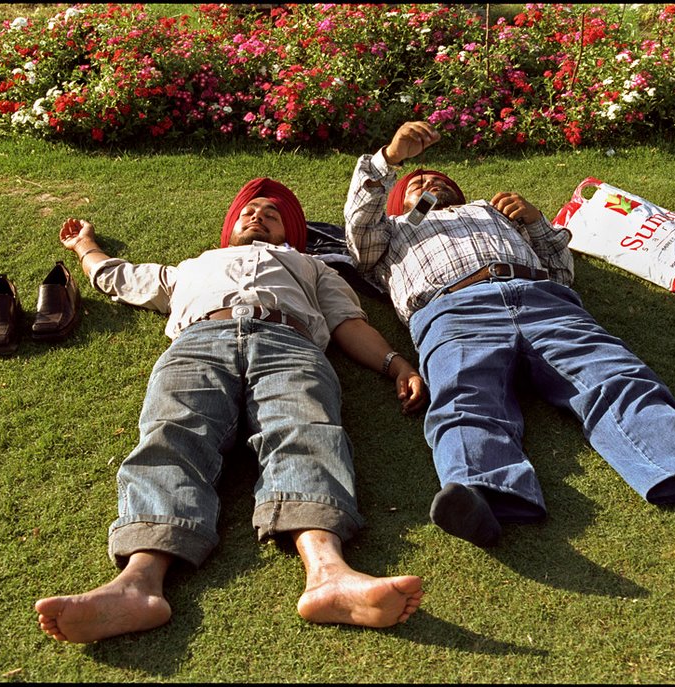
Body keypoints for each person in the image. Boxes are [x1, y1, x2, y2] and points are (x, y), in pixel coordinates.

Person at [343, 121, 675, 548]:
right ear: (397, 198)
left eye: (439, 180)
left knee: (614, 375)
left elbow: (562, 271)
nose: (429, 183)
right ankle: (482, 494)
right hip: (452, 310)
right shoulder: (391, 232)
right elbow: (360, 233)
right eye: (417, 183)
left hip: (541, 298)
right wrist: (391, 158)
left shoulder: (491, 211)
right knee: (465, 396)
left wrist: (534, 221)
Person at [35, 178, 427, 643]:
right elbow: (118, 276)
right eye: (249, 211)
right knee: (171, 436)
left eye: (272, 214)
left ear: (290, 233)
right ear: (231, 225)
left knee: (306, 432)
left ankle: (329, 574)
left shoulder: (313, 267)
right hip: (197, 344)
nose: (258, 215)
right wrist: (84, 245)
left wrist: (394, 364)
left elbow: (348, 323)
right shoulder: (192, 267)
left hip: (290, 345)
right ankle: (137, 585)